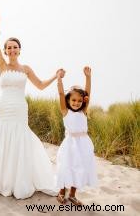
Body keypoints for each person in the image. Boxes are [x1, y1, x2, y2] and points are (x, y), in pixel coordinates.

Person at [0, 10, 64, 199]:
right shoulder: (2, 66)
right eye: (9, 48)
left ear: (19, 50)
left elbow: (40, 85)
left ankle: (21, 179)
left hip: (19, 108)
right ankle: (4, 180)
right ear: (5, 51)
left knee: (20, 139)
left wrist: (56, 76)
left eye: (15, 47)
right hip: (4, 107)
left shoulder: (26, 69)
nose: (12, 50)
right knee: (3, 140)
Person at [56, 66, 98, 205]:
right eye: (73, 100)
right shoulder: (65, 112)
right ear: (69, 100)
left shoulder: (83, 112)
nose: (76, 103)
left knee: (79, 168)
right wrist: (59, 80)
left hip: (83, 143)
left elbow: (88, 94)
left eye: (79, 101)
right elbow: (61, 94)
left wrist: (88, 77)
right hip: (70, 143)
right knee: (66, 166)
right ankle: (61, 192)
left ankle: (73, 194)